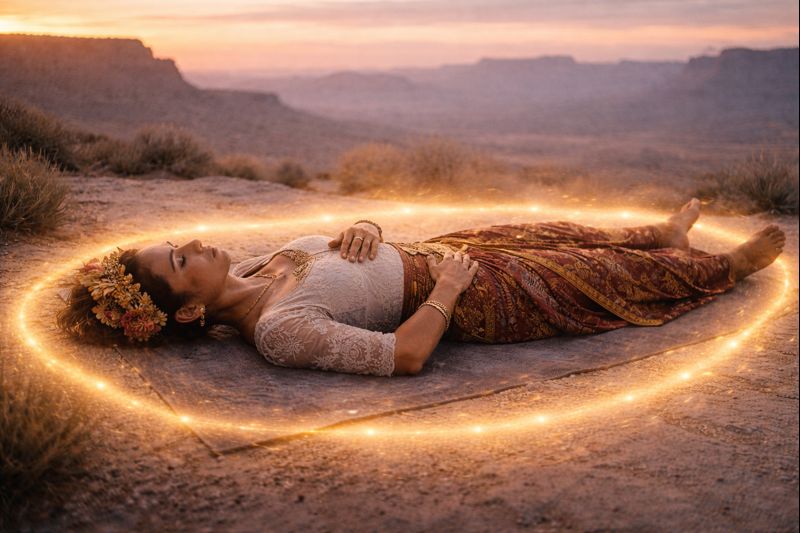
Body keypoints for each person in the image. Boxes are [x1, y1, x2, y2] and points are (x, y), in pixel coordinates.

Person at [57, 199, 786, 377]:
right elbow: (402, 355)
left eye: (178, 242)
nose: (194, 244)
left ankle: (662, 237)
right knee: (597, 279)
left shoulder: (252, 267)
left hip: (438, 254)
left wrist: (365, 226)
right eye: (183, 259)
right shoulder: (279, 330)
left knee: (548, 230)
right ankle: (723, 269)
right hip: (465, 295)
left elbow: (343, 243)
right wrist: (447, 289)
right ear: (189, 305)